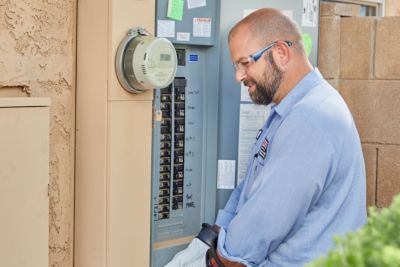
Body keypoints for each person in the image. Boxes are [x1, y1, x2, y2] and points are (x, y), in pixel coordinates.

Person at [165, 8, 367, 267]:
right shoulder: (286, 112)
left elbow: (261, 227)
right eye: (236, 66)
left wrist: (210, 261)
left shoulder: (310, 118)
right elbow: (248, 190)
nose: (238, 76)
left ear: (281, 53)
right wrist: (208, 239)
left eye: (246, 63)